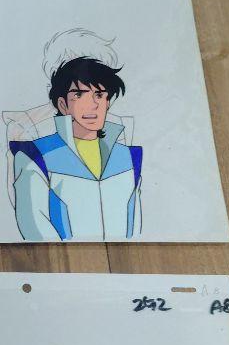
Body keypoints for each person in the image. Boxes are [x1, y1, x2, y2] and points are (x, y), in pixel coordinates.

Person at [10, 54, 142, 240]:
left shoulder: (127, 157)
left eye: (99, 95)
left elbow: (134, 226)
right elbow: (34, 227)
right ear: (63, 104)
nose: (92, 105)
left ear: (107, 103)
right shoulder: (35, 156)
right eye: (79, 95)